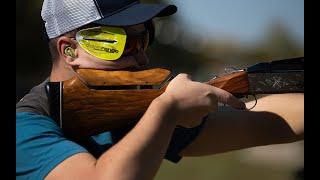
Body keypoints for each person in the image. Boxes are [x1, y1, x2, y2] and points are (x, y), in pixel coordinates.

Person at [16, 0, 304, 179]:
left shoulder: (135, 112)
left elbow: (267, 123)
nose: (141, 57)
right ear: (69, 51)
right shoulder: (26, 126)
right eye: (121, 43)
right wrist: (167, 110)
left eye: (144, 38)